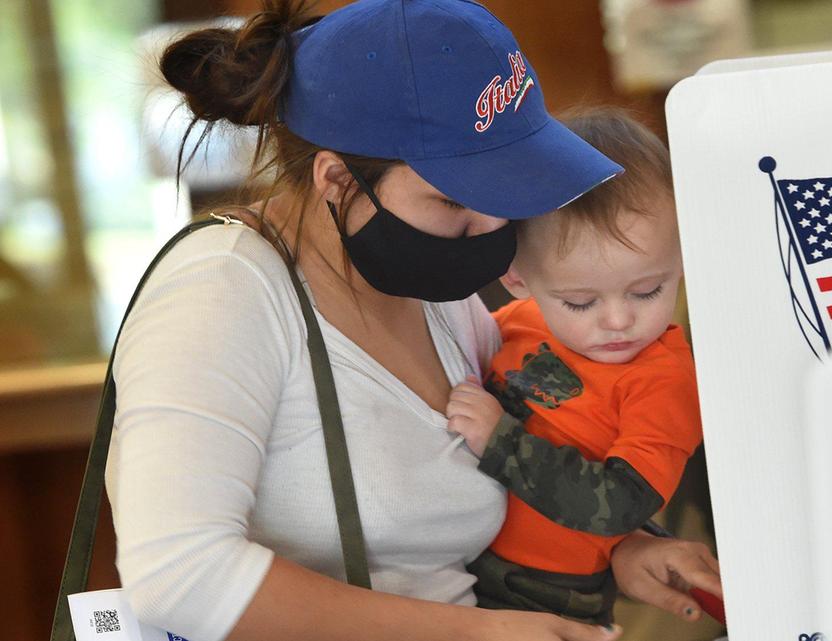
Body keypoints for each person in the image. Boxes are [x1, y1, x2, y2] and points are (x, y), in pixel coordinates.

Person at [105, 2, 721, 641]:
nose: (490, 228)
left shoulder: (436, 291)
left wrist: (625, 549)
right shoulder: (223, 290)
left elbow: (517, 462)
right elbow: (179, 576)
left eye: (503, 189)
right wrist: (474, 634)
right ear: (337, 179)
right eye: (455, 198)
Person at [445, 108, 702, 626]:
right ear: (517, 277)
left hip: (549, 592)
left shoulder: (668, 380)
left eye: (648, 289)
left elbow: (623, 504)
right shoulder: (513, 323)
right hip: (454, 561)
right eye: (580, 301)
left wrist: (503, 441)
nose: (618, 320)